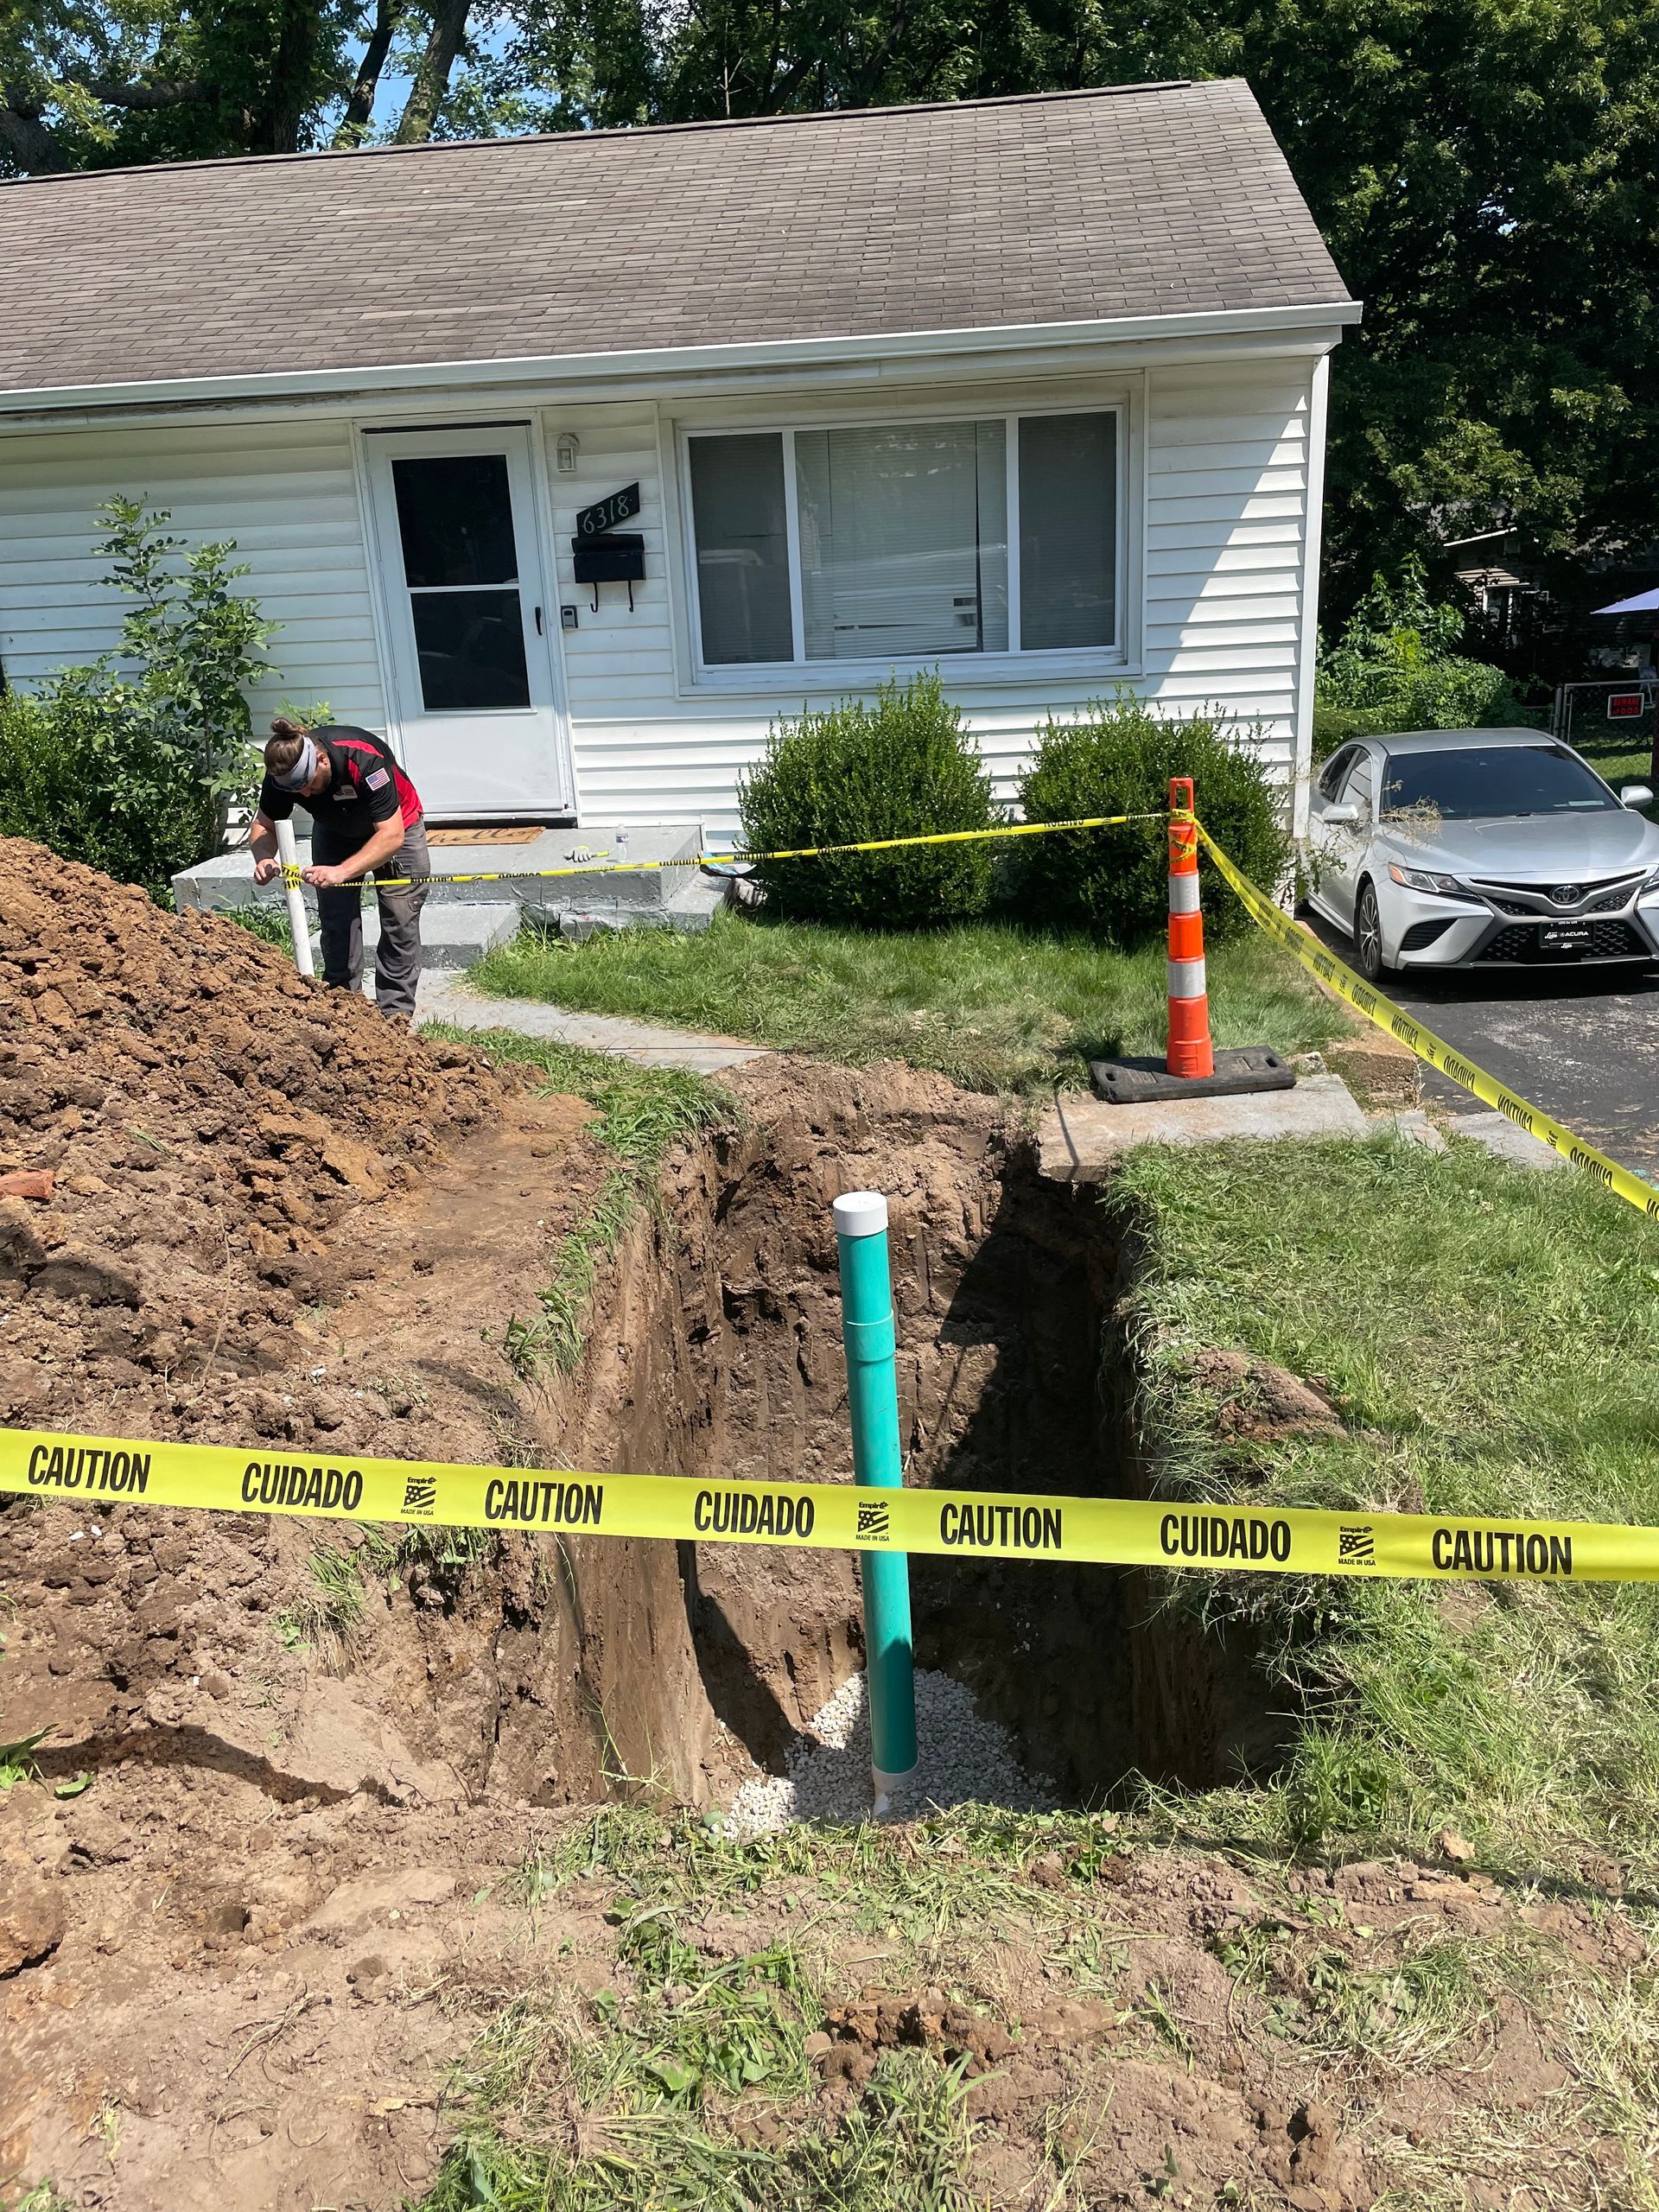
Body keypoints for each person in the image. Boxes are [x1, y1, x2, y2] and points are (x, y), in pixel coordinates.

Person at [249, 719, 430, 1021]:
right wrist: (264, 857)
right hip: (336, 830)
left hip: (398, 827)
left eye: (306, 784)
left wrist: (343, 871)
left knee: (400, 920)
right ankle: (343, 1008)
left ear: (321, 759)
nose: (303, 794)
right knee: (336, 920)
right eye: (295, 789)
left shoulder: (363, 758)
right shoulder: (284, 777)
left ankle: (395, 1016)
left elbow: (391, 835)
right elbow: (263, 826)